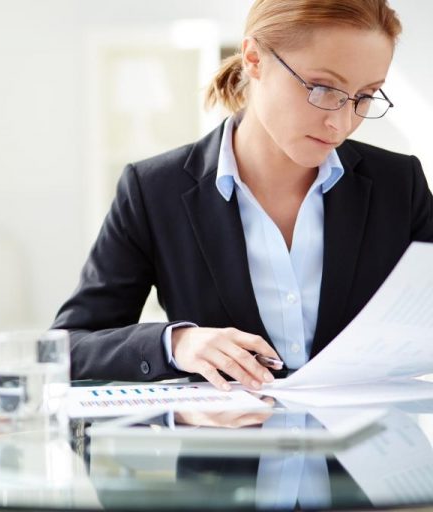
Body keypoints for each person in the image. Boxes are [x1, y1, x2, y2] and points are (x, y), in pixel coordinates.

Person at [52, 0, 433, 390]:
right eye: (322, 88)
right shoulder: (153, 190)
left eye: (365, 96)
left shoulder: (399, 184)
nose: (342, 121)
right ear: (254, 59)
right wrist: (176, 343)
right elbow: (67, 347)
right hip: (227, 446)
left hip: (365, 446)